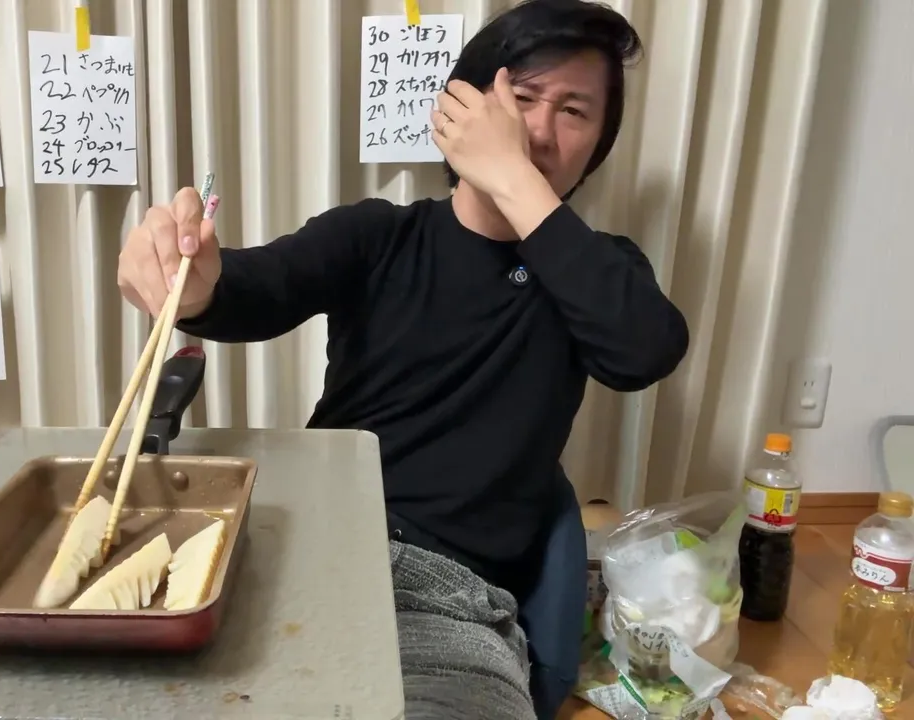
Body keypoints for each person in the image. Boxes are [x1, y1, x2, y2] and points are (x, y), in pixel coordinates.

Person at [117, 0, 687, 718]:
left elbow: (644, 351)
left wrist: (515, 179)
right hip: (298, 554)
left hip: (448, 602)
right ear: (461, 111)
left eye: (573, 111)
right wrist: (192, 283)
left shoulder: (598, 269)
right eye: (521, 99)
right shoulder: (379, 236)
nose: (540, 131)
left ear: (599, 144)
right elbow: (251, 289)